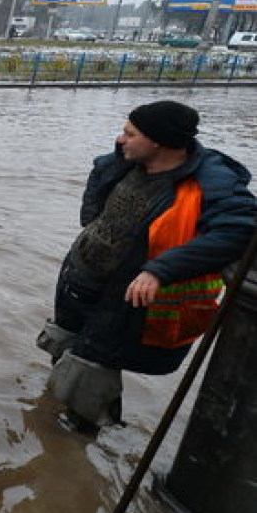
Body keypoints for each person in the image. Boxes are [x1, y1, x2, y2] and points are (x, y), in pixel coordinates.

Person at [37, 100, 257, 432]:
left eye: (130, 133)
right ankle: (57, 414)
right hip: (78, 283)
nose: (120, 139)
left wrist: (159, 269)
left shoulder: (211, 183)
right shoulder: (125, 162)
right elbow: (99, 184)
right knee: (67, 354)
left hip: (119, 300)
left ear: (158, 140)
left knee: (92, 372)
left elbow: (239, 231)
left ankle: (74, 441)